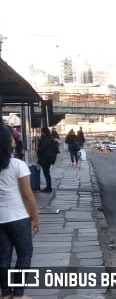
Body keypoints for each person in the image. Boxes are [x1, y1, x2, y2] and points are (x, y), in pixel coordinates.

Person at [0, 122, 40, 299]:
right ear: (8, 143)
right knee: (24, 255)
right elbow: (28, 196)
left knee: (3, 258)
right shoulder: (18, 165)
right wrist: (35, 218)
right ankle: (18, 294)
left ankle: (6, 293)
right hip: (18, 218)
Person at [36, 127, 58, 193]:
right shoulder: (50, 139)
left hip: (45, 159)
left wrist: (39, 155)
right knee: (47, 173)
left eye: (41, 132)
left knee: (46, 173)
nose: (41, 133)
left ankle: (48, 187)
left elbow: (41, 149)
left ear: (44, 132)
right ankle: (48, 187)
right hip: (49, 159)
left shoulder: (45, 139)